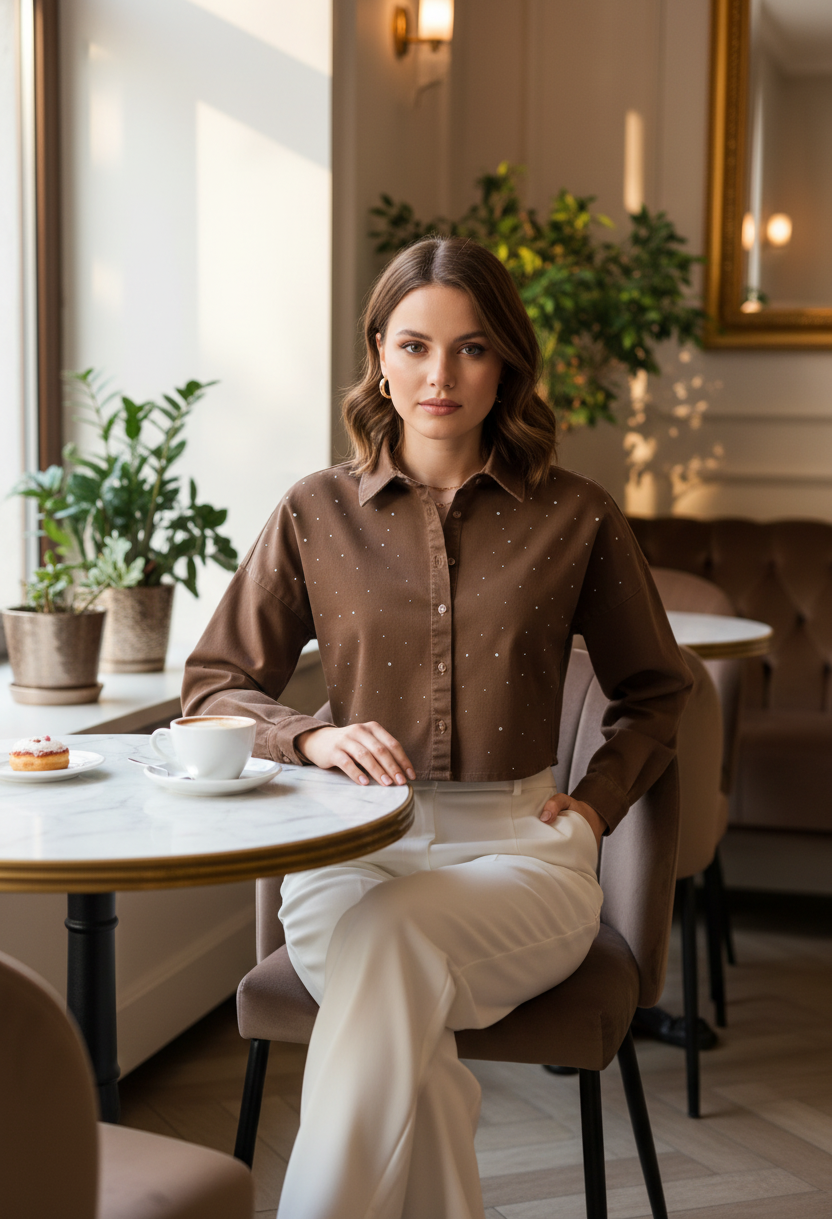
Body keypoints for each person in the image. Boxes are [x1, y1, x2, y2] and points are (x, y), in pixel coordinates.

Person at [182, 237, 692, 1219]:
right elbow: (213, 685)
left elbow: (656, 691)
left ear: (506, 362)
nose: (439, 376)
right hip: (346, 855)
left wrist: (591, 808)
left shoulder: (576, 516)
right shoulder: (312, 512)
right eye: (414, 346)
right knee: (396, 986)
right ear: (378, 352)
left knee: (392, 959)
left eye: (470, 349)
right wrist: (309, 738)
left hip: (523, 862)